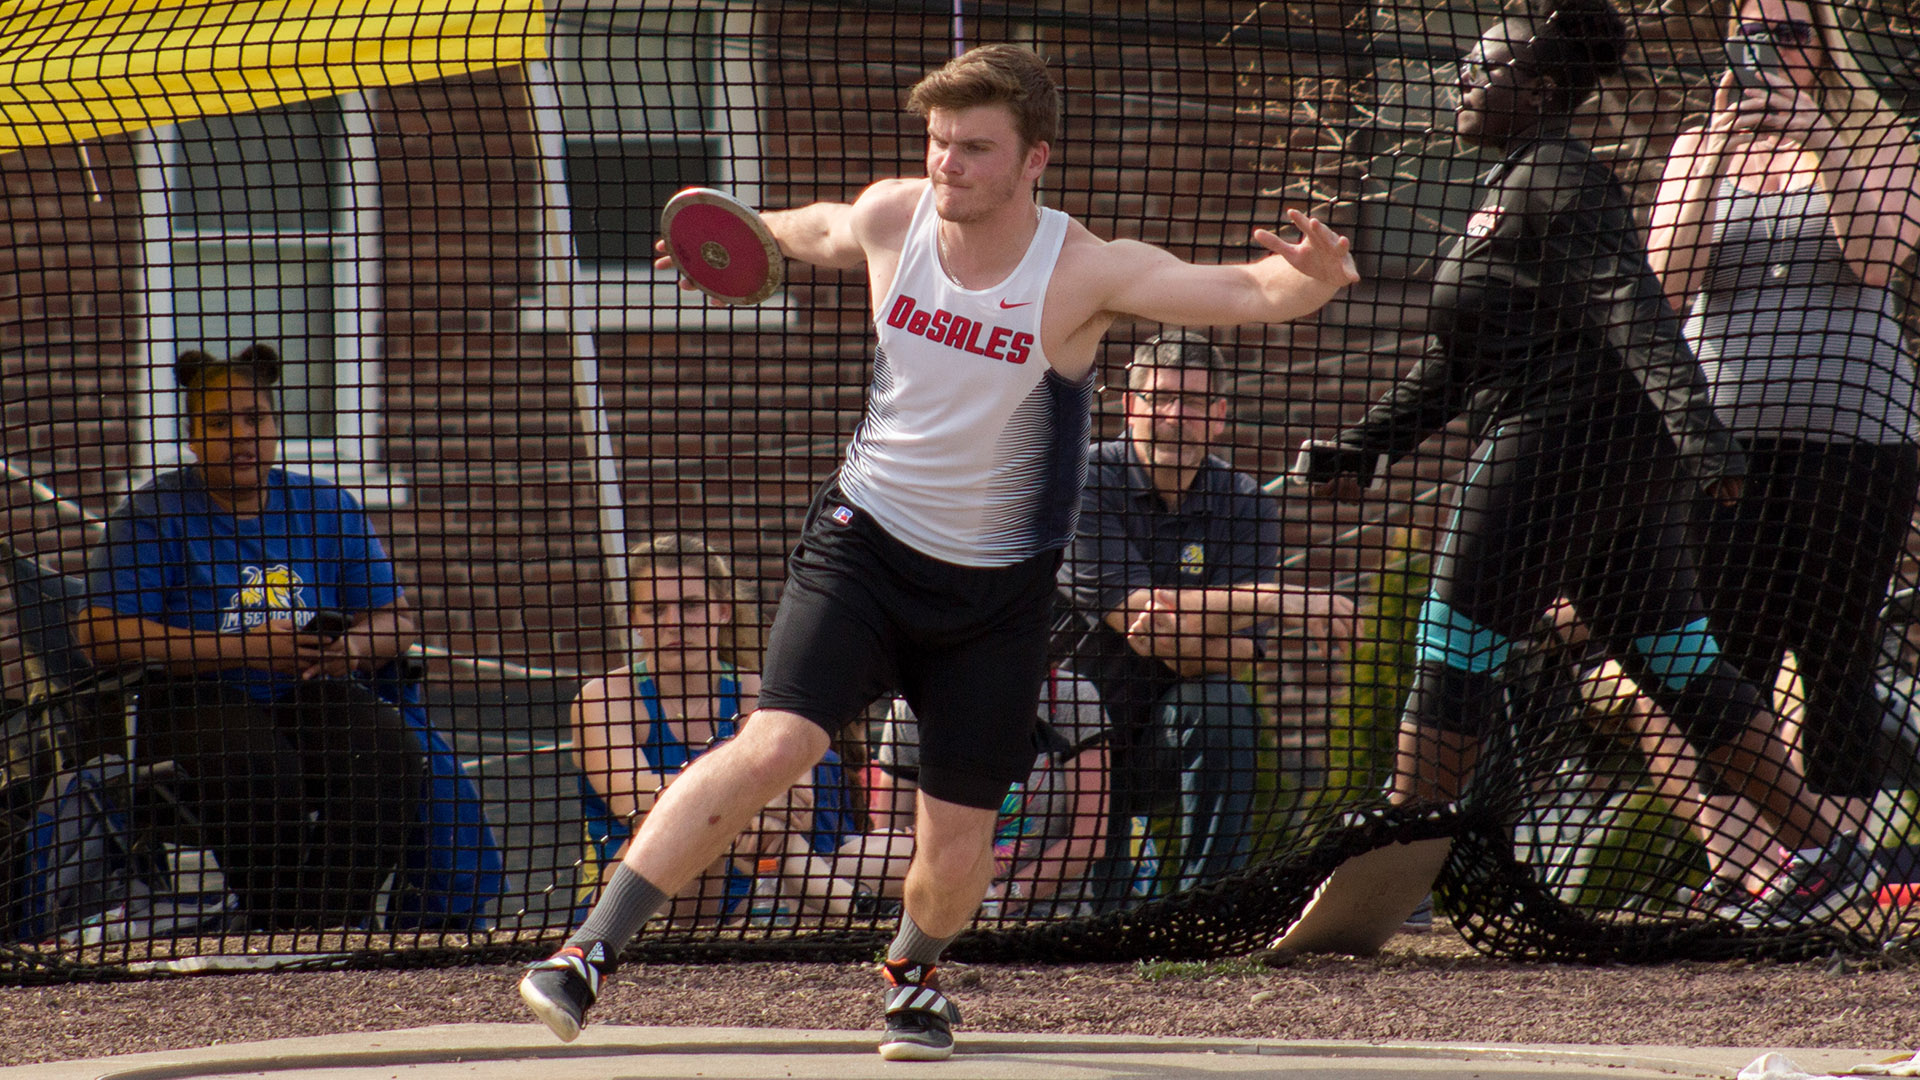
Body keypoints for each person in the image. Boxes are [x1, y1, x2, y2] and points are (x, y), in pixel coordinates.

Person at [518, 42, 1358, 1061]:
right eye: (938, 142)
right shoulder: (896, 216)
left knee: (956, 840)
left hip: (995, 599)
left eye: (974, 148)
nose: (948, 164)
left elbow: (1243, 291)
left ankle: (912, 976)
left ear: (1034, 158)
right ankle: (586, 955)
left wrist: (1309, 282)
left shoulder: (1081, 270)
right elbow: (814, 228)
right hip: (863, 549)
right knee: (779, 744)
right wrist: (736, 238)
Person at [1305, 0, 1870, 928]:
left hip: (1568, 444)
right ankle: (1829, 851)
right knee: (1678, 661)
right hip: (1615, 462)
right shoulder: (1512, 186)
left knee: (1454, 638)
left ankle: (1393, 868)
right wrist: (1365, 447)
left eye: (1481, 71)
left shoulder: (1562, 177)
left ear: (1538, 89)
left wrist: (1703, 436)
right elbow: (1458, 364)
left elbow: (1633, 307)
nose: (1459, 83)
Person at [1645, 0, 1920, 871]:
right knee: (1729, 649)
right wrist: (1715, 152)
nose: (1770, 49)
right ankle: (1748, 873)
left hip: (1856, 431)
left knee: (1836, 643)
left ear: (1825, 45)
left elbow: (1877, 259)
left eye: (1791, 33)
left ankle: (1838, 872)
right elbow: (1665, 283)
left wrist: (1819, 140)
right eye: (1752, 33)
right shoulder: (1698, 144)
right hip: (1721, 435)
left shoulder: (1883, 139)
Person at [74, 344, 426, 931]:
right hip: (191, 698)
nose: (241, 435)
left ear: (275, 425)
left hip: (305, 689)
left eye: (254, 418)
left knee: (390, 756)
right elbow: (99, 634)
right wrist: (243, 648)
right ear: (191, 437)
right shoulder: (153, 513)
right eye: (218, 423)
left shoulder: (325, 505)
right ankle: (277, 924)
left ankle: (322, 924)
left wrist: (352, 649)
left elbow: (398, 621)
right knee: (262, 766)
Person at [1054, 331, 1355, 902]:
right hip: (1070, 741)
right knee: (1095, 923)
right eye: (1161, 398)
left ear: (1217, 415)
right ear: (1130, 405)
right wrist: (1273, 599)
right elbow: (1136, 616)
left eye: (1193, 401)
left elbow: (1237, 652)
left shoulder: (1244, 503)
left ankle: (1207, 909)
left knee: (1223, 704)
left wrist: (1189, 634)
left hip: (1167, 738)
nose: (1175, 417)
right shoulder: (1079, 482)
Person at [570, 534, 854, 925]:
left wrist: (748, 805)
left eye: (690, 605)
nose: (674, 622)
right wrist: (743, 799)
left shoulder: (761, 693)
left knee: (779, 835)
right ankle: (858, 910)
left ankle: (868, 922)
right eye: (656, 609)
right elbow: (632, 802)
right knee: (691, 824)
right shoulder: (604, 698)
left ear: (722, 610)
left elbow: (797, 805)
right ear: (635, 619)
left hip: (744, 887)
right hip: (633, 897)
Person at [784, 669, 1113, 921]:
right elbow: (889, 841)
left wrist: (996, 901)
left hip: (1050, 918)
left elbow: (1089, 839)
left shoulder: (1069, 695)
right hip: (938, 920)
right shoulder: (910, 707)